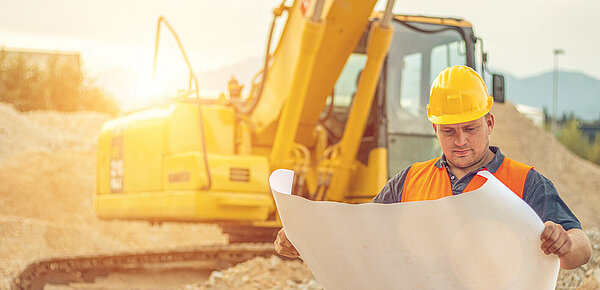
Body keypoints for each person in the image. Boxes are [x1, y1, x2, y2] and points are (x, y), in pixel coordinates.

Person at [274, 65, 592, 270]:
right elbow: (362, 237)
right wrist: (304, 239)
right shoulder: (408, 182)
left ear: (490, 123)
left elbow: (582, 248)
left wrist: (566, 243)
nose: (461, 141)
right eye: (449, 131)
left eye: (470, 129)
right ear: (435, 130)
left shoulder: (526, 182)